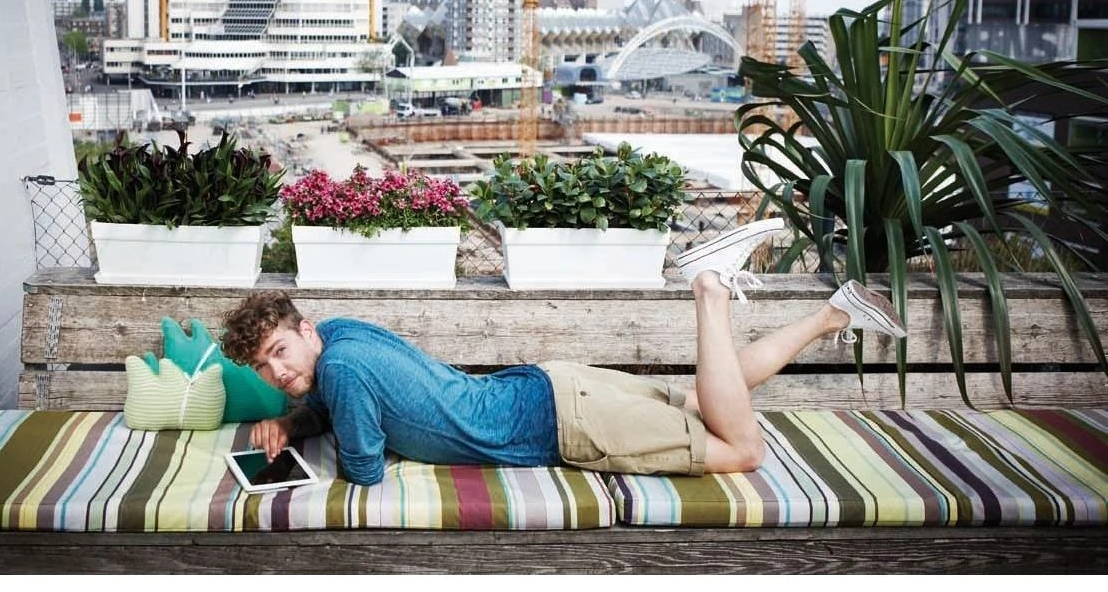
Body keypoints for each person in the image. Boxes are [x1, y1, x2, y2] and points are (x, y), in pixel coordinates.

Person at [219, 219, 907, 484]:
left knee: (743, 451)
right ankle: (834, 312)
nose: (277, 372)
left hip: (567, 425)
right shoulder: (340, 335)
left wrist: (308, 426)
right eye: (263, 368)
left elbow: (364, 469)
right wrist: (297, 419)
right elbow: (347, 397)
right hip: (552, 388)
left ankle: (709, 288)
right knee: (707, 401)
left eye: (279, 351)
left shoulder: (338, 367)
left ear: (304, 330)